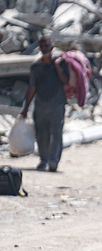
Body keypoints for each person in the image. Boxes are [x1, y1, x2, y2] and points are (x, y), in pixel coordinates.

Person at [19, 35, 69, 172]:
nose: (44, 49)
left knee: (56, 133)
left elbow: (65, 81)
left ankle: (53, 161)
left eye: (47, 46)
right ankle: (43, 160)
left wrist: (58, 66)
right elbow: (32, 87)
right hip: (41, 104)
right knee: (42, 134)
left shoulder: (60, 62)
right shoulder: (35, 66)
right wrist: (26, 108)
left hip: (57, 104)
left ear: (52, 47)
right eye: (42, 46)